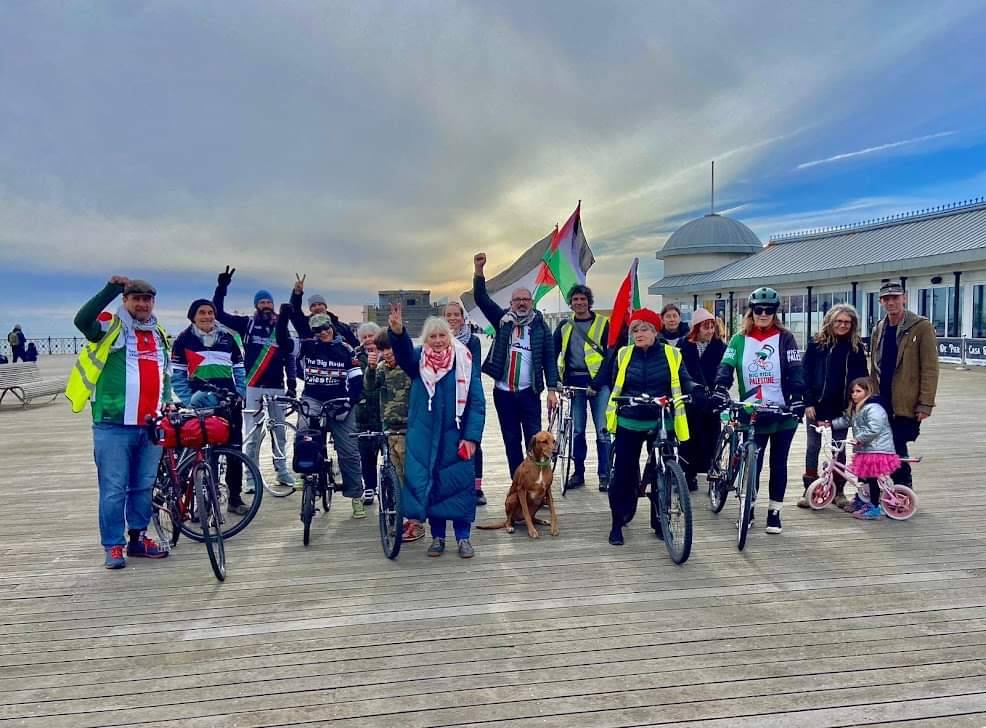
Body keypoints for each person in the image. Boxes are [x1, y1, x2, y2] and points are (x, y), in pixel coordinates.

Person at [68, 277, 171, 569]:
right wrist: (110, 289)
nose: (142, 304)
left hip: (151, 425)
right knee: (113, 488)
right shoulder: (109, 327)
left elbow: (165, 374)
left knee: (143, 486)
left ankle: (138, 538)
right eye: (135, 299)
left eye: (147, 299)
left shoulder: (158, 332)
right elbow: (82, 320)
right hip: (113, 424)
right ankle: (113, 545)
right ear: (125, 302)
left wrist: (170, 400)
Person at [388, 305, 485, 558]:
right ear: (426, 339)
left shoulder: (463, 360)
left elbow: (476, 401)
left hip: (457, 434)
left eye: (442, 336)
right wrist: (397, 333)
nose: (439, 341)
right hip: (425, 436)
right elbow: (403, 355)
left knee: (460, 487)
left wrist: (472, 437)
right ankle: (438, 537)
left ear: (449, 337)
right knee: (431, 487)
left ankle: (463, 538)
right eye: (433, 336)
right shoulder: (418, 360)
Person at [596, 308, 694, 546]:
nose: (639, 334)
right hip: (630, 419)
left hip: (662, 419)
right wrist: (623, 399)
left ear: (654, 331)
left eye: (644, 329)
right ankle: (617, 522)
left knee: (661, 472)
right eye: (635, 330)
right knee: (623, 473)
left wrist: (695, 390)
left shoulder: (672, 354)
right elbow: (614, 381)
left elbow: (684, 379)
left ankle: (659, 521)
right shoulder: (623, 354)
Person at [714, 287, 806, 535]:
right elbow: (726, 366)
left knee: (779, 463)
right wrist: (721, 387)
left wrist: (798, 398)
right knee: (753, 461)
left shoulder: (785, 338)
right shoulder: (738, 339)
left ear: (776, 313)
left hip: (782, 411)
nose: (763, 314)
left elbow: (796, 369)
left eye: (769, 310)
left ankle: (774, 512)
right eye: (758, 310)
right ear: (751, 312)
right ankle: (749, 508)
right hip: (753, 410)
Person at [472, 252, 559, 478]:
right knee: (511, 441)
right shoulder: (502, 321)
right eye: (517, 300)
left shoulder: (540, 326)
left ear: (532, 302)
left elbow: (550, 358)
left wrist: (552, 390)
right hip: (504, 393)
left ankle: (535, 484)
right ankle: (517, 481)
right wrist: (479, 270)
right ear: (510, 303)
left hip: (529, 393)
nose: (521, 303)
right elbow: (481, 299)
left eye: (526, 300)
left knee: (534, 441)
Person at [212, 266, 297, 489]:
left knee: (279, 432)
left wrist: (291, 384)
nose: (266, 306)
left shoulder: (281, 327)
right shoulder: (246, 324)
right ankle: (251, 477)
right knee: (252, 432)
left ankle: (282, 471)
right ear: (256, 306)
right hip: (253, 386)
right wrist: (222, 288)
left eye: (269, 302)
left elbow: (289, 355)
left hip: (277, 388)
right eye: (262, 303)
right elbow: (218, 313)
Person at [283, 303, 367, 518]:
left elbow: (356, 380)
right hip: (313, 399)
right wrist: (284, 318)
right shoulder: (307, 346)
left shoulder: (346, 349)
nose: (324, 332)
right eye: (318, 330)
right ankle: (305, 476)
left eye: (326, 327)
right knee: (303, 438)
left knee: (349, 452)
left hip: (340, 400)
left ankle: (356, 497)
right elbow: (283, 342)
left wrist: (351, 402)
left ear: (332, 326)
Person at [171, 299, 249, 515]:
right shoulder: (183, 340)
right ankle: (204, 502)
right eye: (202, 313)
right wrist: (189, 400)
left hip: (229, 402)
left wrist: (240, 392)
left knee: (234, 452)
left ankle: (234, 498)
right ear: (193, 316)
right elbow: (177, 377)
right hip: (201, 406)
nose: (207, 316)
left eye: (210, 312)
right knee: (205, 455)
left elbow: (240, 368)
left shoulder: (228, 338)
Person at [869, 280, 939, 488]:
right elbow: (874, 366)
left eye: (895, 298)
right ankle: (884, 489)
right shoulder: (879, 329)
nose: (891, 302)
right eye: (886, 299)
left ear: (904, 298)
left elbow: (930, 368)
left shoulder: (921, 326)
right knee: (880, 445)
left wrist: (925, 403)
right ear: (881, 302)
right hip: (882, 399)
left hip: (905, 401)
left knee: (897, 443)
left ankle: (903, 488)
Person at [798, 304, 868, 509]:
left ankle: (838, 492)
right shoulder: (815, 345)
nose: (843, 325)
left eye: (847, 322)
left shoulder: (855, 348)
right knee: (813, 447)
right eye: (839, 321)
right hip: (816, 406)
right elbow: (805, 375)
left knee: (839, 450)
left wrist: (856, 403)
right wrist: (808, 402)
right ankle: (808, 490)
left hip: (841, 408)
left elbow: (862, 378)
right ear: (830, 321)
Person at [364, 329, 424, 541]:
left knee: (412, 477)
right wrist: (370, 369)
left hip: (410, 430)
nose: (387, 353)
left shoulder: (409, 367)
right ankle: (401, 518)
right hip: (389, 430)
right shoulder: (380, 369)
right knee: (396, 478)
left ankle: (416, 522)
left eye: (389, 348)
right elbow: (370, 388)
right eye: (382, 350)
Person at [553, 284, 612, 491]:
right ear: (571, 302)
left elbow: (610, 356)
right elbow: (553, 354)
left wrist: (597, 383)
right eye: (575, 299)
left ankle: (605, 474)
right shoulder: (564, 326)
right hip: (574, 383)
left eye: (582, 299)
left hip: (599, 384)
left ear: (589, 301)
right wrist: (555, 381)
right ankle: (578, 473)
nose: (579, 303)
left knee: (603, 431)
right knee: (577, 431)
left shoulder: (604, 324)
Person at [828, 377, 901, 520]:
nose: (854, 394)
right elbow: (847, 420)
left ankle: (874, 507)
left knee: (871, 478)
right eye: (852, 392)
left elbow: (875, 428)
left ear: (868, 391)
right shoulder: (857, 408)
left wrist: (859, 438)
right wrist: (830, 424)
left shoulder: (873, 407)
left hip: (877, 449)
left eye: (858, 391)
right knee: (863, 477)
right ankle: (864, 500)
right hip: (865, 449)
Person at [677, 308, 726, 492]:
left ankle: (713, 473)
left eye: (712, 326)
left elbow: (724, 371)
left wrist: (720, 390)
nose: (710, 330)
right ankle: (688, 474)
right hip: (691, 398)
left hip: (711, 398)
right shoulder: (684, 345)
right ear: (697, 328)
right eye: (706, 327)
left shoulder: (720, 347)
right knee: (689, 439)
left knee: (712, 438)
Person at [444, 301, 487, 505]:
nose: (452, 318)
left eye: (456, 314)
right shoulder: (438, 340)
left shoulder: (473, 341)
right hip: (446, 398)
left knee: (473, 441)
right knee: (450, 443)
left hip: (468, 395)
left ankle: (476, 488)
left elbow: (475, 371)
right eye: (448, 315)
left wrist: (472, 394)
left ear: (463, 317)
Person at [355, 321, 382, 506]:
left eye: (371, 336)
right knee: (366, 456)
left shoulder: (389, 355)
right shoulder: (355, 358)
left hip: (384, 411)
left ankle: (392, 487)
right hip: (363, 414)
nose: (368, 340)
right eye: (364, 337)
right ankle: (369, 487)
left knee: (390, 453)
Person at [289, 288, 359, 349]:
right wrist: (297, 294)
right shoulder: (305, 325)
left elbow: (355, 346)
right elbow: (295, 313)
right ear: (310, 309)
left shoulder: (343, 327)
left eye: (320, 304)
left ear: (325, 306)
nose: (317, 307)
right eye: (313, 305)